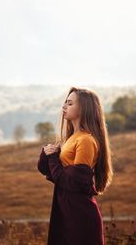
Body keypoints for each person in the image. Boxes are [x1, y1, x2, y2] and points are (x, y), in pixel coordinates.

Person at [37, 87, 113, 245]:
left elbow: (74, 182)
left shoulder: (85, 140)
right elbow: (49, 171)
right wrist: (46, 154)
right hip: (66, 210)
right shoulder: (71, 138)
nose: (64, 107)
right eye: (65, 103)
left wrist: (53, 159)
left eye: (70, 104)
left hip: (79, 214)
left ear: (84, 108)